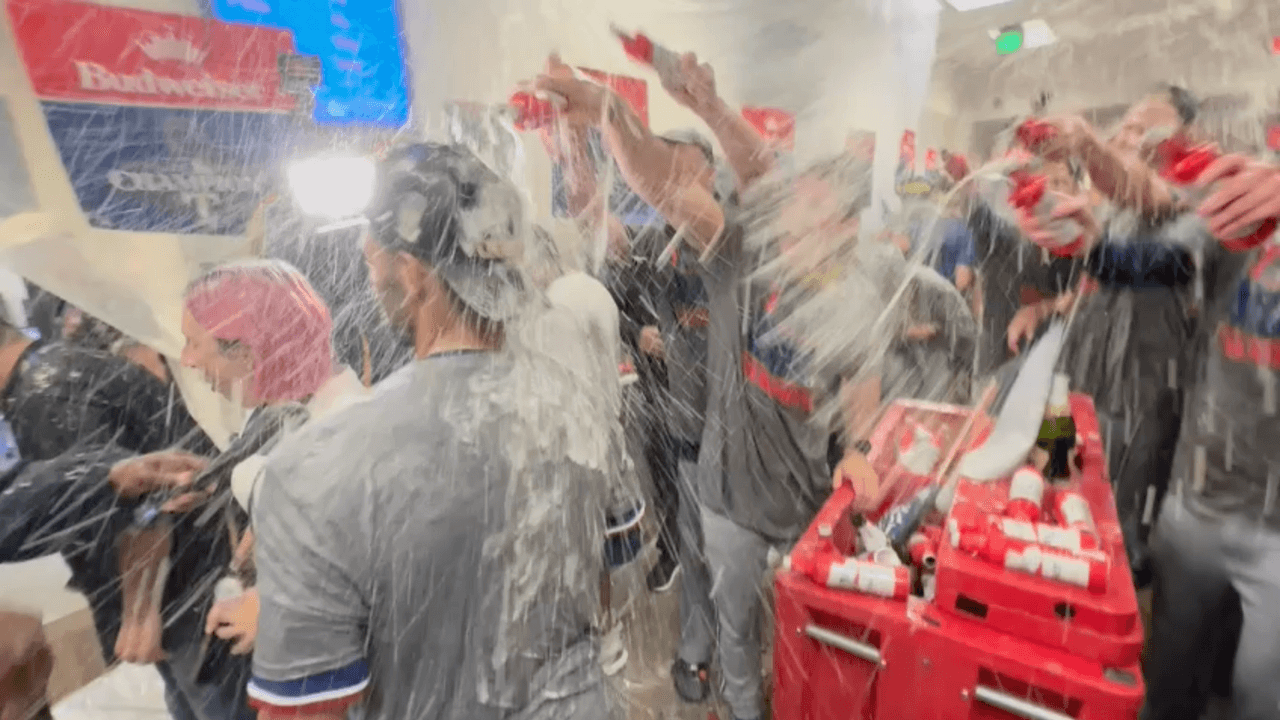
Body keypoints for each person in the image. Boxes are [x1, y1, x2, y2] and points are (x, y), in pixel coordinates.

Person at [533, 60, 887, 720]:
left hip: (809, 498)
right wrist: (607, 113)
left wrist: (860, 446)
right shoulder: (738, 252)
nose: (791, 230)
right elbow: (657, 185)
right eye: (791, 214)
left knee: (805, 634)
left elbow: (861, 371)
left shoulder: (857, 294)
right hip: (726, 496)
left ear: (845, 229)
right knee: (735, 633)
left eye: (811, 217)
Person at [247, 142, 611, 720]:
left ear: (414, 276)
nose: (367, 262)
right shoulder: (575, 410)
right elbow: (602, 586)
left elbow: (304, 713)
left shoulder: (312, 470)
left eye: (372, 256)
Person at [1014, 142, 1280, 720]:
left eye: (1149, 141)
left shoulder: (1204, 206)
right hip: (1163, 472)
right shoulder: (1223, 217)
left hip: (1149, 420)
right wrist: (1082, 248)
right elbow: (1130, 269)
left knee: (1261, 695)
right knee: (1164, 681)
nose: (1132, 150)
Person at [1008, 86, 1202, 587]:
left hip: (1140, 401)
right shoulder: (1115, 206)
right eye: (1131, 126)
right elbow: (1099, 273)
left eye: (1150, 130)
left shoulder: (1189, 201)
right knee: (1054, 489)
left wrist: (1089, 148)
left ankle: (1112, 626)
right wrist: (1047, 303)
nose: (1134, 138)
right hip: (1077, 379)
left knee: (1116, 537)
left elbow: (1139, 226)